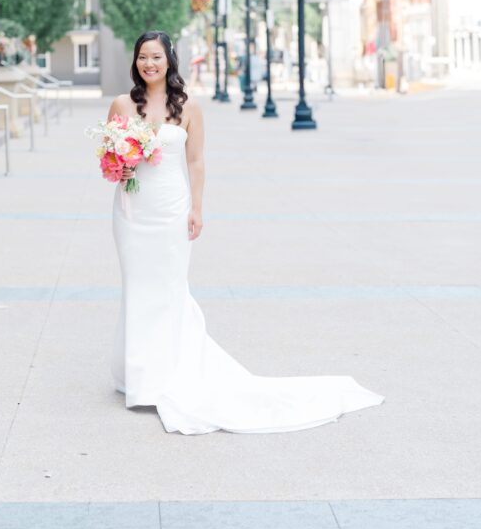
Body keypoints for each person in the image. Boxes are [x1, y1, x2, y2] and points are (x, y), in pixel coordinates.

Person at [106, 29, 385, 434]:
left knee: (168, 286)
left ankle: (166, 373)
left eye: (156, 57)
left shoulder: (187, 108)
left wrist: (197, 207)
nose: (149, 64)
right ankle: (136, 373)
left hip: (169, 207)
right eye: (143, 57)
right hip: (132, 210)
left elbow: (196, 161)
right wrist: (121, 165)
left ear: (170, 61)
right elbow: (108, 157)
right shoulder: (120, 104)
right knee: (136, 285)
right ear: (135, 62)